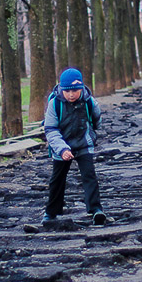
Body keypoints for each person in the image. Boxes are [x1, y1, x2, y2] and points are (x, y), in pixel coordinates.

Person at [42, 67, 107, 226]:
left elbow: (96, 118)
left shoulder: (89, 101)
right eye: (67, 91)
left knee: (89, 176)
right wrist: (62, 149)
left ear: (82, 88)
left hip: (84, 144)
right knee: (57, 179)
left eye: (75, 91)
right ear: (62, 89)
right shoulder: (54, 104)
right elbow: (50, 129)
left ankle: (95, 210)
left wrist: (92, 133)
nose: (71, 95)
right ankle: (51, 212)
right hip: (61, 146)